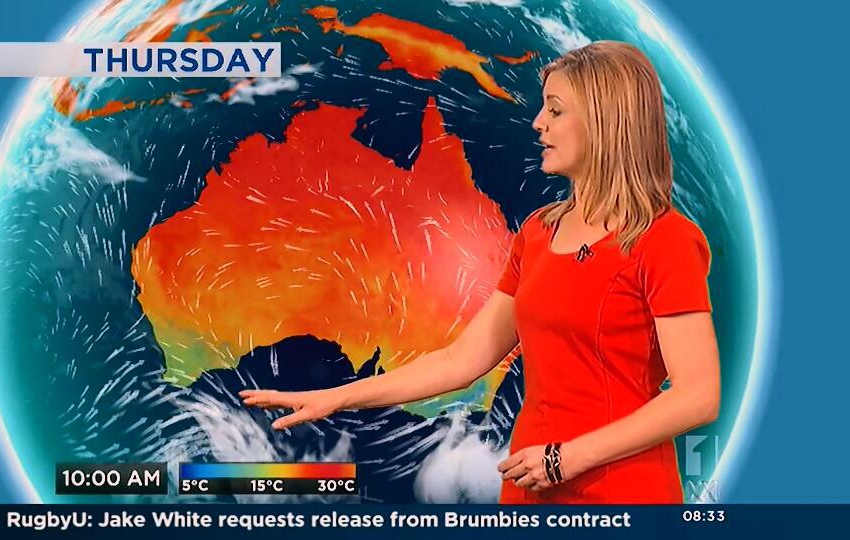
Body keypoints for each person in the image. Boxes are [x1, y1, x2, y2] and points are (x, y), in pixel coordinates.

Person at [240, 40, 720, 504]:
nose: (538, 122)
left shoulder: (666, 240)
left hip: (620, 490)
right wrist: (337, 397)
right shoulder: (538, 233)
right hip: (531, 480)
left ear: (606, 124)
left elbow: (698, 395)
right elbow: (462, 361)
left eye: (555, 111)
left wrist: (567, 458)